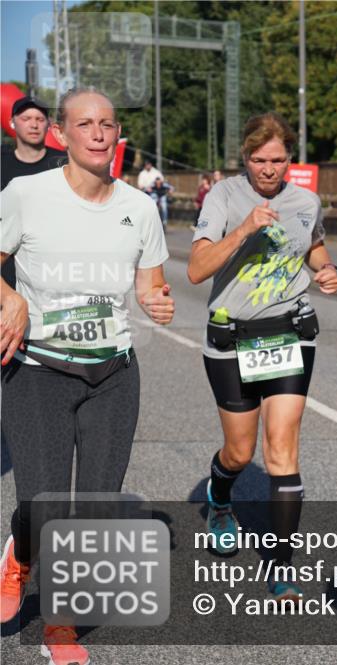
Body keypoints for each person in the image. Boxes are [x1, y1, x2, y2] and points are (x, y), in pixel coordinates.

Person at [0, 86, 173, 665]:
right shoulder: (27, 194)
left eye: (107, 124)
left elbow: (149, 284)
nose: (98, 133)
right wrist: (10, 299)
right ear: (62, 134)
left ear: (117, 134)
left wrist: (157, 302)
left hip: (114, 374)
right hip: (38, 371)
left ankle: (59, 628)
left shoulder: (140, 206)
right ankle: (20, 553)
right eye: (85, 124)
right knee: (40, 505)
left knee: (97, 507)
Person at [187, 112, 337, 603]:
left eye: (277, 160)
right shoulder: (225, 197)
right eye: (259, 160)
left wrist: (327, 268)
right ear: (245, 158)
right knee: (239, 453)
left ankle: (281, 568)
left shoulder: (305, 200)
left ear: (289, 159)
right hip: (232, 338)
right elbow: (195, 270)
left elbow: (313, 245)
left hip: (289, 333)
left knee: (282, 450)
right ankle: (220, 498)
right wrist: (243, 230)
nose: (268, 170)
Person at [1, 96, 67, 289]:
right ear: (12, 123)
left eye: (40, 119)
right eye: (26, 119)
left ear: (48, 125)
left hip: (56, 274)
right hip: (8, 277)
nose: (34, 125)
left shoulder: (65, 163)